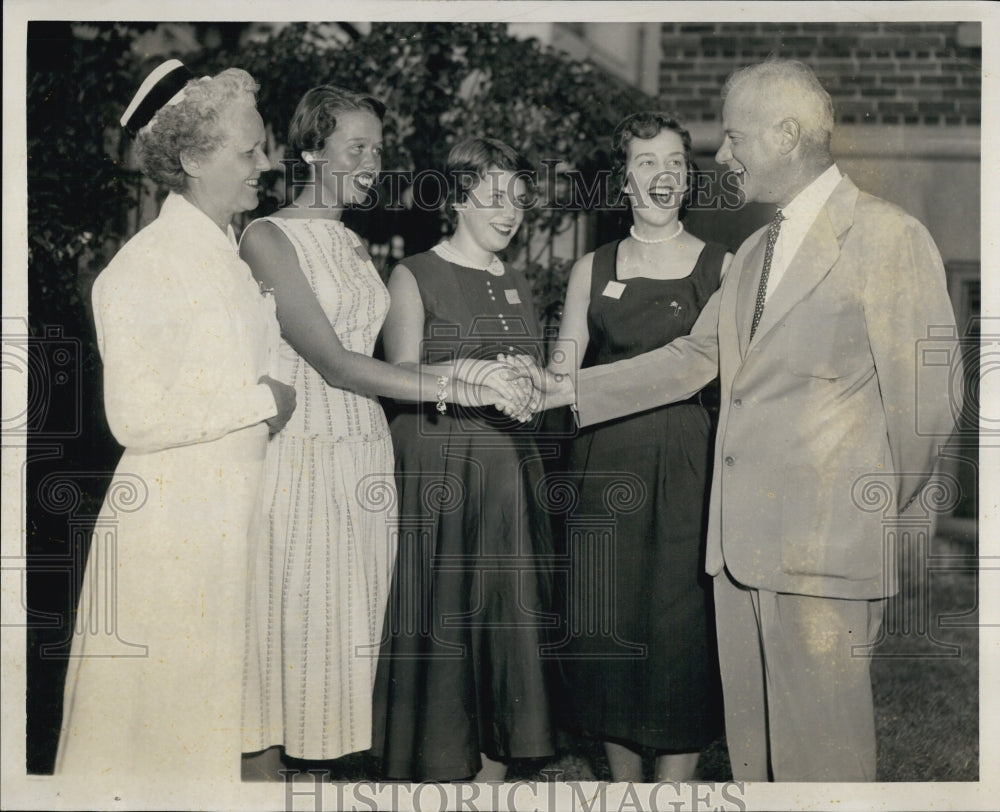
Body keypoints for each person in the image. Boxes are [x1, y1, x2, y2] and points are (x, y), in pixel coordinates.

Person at [534, 59, 960, 781]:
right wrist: (559, 391)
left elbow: (928, 402)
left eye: (733, 138)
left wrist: (871, 529)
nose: (721, 157)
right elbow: (694, 356)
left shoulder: (888, 237)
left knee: (824, 770)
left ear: (787, 134)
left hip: (823, 559)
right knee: (757, 766)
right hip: (737, 557)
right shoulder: (757, 249)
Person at [238, 87, 527, 780]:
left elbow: (370, 358)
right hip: (302, 460)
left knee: (342, 664)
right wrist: (459, 380)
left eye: (378, 148)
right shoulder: (266, 236)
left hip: (364, 460)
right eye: (356, 148)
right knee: (286, 660)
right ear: (311, 149)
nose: (372, 162)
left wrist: (478, 375)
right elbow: (337, 364)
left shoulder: (350, 240)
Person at [54, 60, 296, 782]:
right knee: (151, 734)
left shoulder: (224, 253)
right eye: (249, 151)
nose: (266, 165)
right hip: (170, 533)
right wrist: (262, 402)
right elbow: (134, 416)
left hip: (228, 520)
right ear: (192, 158)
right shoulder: (143, 266)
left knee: (209, 728)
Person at [548, 112, 730, 782]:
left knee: (682, 630)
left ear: (688, 177)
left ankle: (673, 788)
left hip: (688, 468)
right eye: (648, 162)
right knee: (607, 625)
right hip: (603, 466)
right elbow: (563, 371)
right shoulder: (591, 268)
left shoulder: (724, 267)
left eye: (676, 162)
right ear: (624, 178)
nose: (663, 175)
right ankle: (625, 787)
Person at [371, 137, 554, 782]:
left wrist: (532, 385)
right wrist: (474, 377)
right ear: (454, 196)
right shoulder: (414, 273)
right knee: (446, 622)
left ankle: (490, 776)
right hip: (441, 471)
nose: (511, 213)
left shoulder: (518, 280)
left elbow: (528, 372)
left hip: (507, 476)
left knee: (502, 625)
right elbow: (400, 373)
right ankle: (434, 766)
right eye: (494, 196)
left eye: (520, 200)